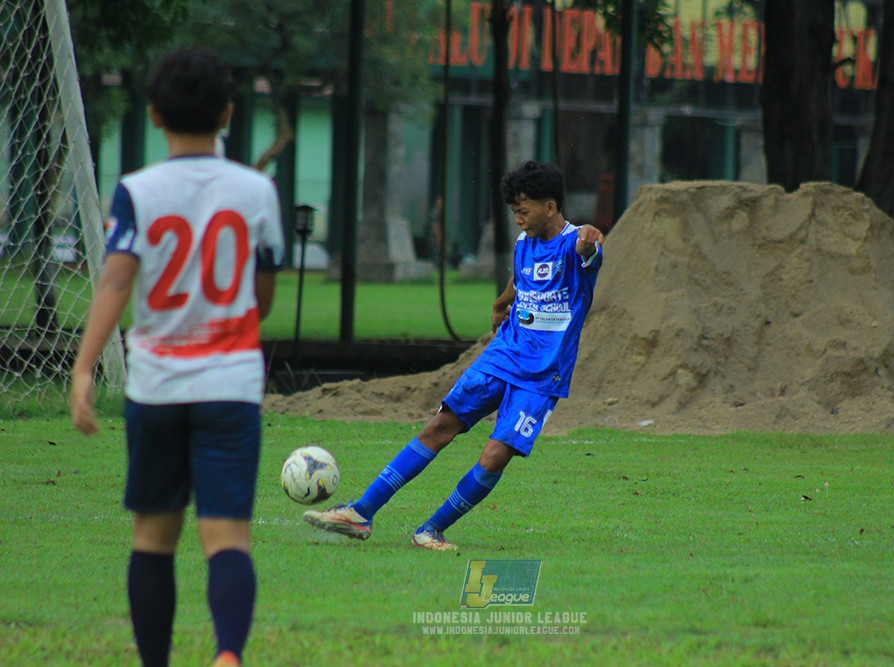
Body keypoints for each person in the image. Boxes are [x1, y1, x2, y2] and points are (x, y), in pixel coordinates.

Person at [69, 48, 284, 667]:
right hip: (231, 386)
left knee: (153, 540)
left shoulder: (137, 190)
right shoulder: (257, 190)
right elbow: (262, 295)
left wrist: (84, 369)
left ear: (155, 115)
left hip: (157, 387)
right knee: (227, 539)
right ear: (227, 113)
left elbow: (114, 282)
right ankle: (227, 656)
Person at [304, 160, 604, 551]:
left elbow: (586, 250)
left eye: (524, 211)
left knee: (496, 454)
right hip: (504, 354)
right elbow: (524, 277)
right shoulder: (523, 243)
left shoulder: (575, 244)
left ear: (550, 207)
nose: (518, 220)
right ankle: (360, 513)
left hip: (544, 373)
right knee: (440, 425)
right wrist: (502, 304)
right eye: (514, 212)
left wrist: (589, 239)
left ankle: (431, 528)